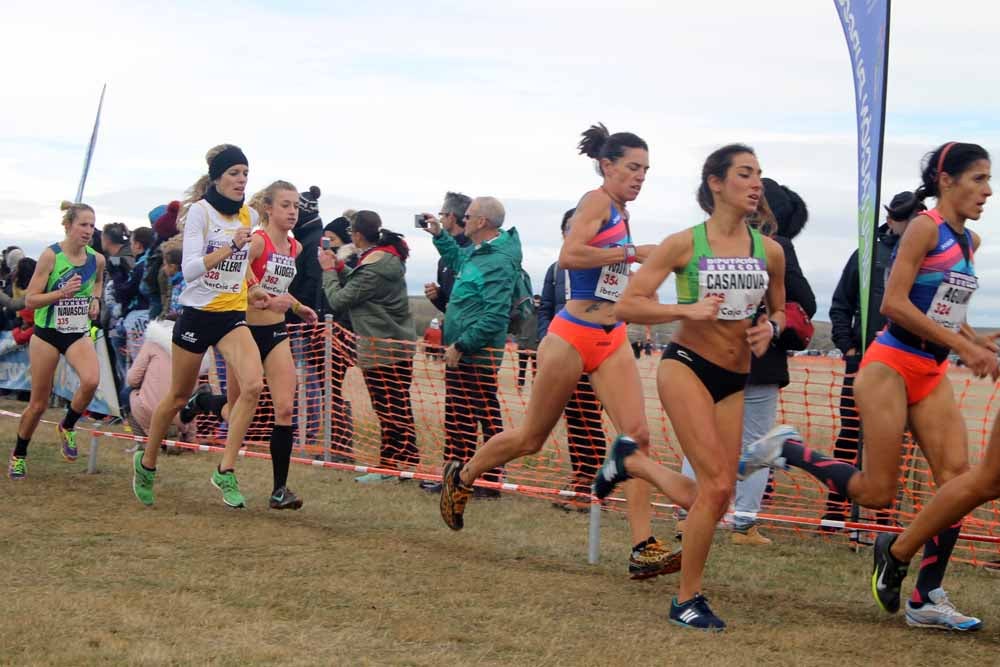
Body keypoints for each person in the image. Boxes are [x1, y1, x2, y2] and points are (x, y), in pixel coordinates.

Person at [743, 142, 995, 631]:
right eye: (979, 179)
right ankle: (789, 450)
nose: (988, 190)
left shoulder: (971, 242)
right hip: (889, 365)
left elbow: (945, 307)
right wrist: (964, 349)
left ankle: (926, 597)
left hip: (930, 369)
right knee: (877, 492)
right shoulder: (925, 228)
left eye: (988, 180)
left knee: (959, 483)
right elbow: (895, 304)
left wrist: (976, 340)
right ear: (947, 181)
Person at [438, 127, 696, 580]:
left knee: (636, 437)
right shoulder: (595, 201)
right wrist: (634, 252)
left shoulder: (621, 210)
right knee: (531, 439)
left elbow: (610, 268)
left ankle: (643, 546)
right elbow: (570, 255)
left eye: (646, 170)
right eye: (633, 168)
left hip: (611, 336)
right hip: (572, 334)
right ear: (608, 166)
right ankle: (463, 475)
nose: (640, 177)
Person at [607, 144, 786, 630]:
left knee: (717, 493)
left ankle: (633, 462)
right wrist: (683, 310)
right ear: (715, 182)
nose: (756, 184)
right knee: (720, 485)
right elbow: (627, 306)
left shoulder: (768, 250)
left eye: (759, 175)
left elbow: (781, 308)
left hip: (735, 378)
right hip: (685, 365)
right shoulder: (683, 243)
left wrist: (770, 327)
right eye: (745, 174)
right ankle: (686, 599)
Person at [677, 179, 815, 547]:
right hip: (758, 358)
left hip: (706, 352)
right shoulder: (776, 247)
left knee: (699, 438)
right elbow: (805, 302)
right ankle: (744, 523)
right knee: (756, 443)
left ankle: (687, 513)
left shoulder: (704, 240)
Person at [130, 143, 267, 508]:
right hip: (196, 315)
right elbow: (190, 270)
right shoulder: (200, 215)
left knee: (253, 385)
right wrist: (230, 247)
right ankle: (147, 462)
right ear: (218, 178)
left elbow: (245, 264)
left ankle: (225, 469)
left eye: (245, 174)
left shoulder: (249, 215)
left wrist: (254, 289)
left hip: (231, 315)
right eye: (235, 173)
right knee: (176, 396)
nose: (241, 180)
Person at [181, 180, 318, 509]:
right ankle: (205, 402)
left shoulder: (294, 248)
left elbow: (278, 288)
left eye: (296, 206)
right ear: (268, 208)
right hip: (242, 330)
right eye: (285, 205)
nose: (292, 212)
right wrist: (257, 294)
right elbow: (237, 275)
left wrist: (298, 307)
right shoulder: (257, 241)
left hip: (275, 332)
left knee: (285, 407)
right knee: (236, 410)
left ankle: (279, 489)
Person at [825, 191, 924, 525]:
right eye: (905, 218)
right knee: (851, 436)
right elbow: (840, 304)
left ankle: (885, 516)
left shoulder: (928, 256)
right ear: (891, 218)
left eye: (917, 218)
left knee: (897, 440)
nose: (910, 224)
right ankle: (834, 511)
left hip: (908, 362)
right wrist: (849, 349)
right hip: (864, 360)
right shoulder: (866, 255)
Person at [418, 197, 519, 499]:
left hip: (476, 355)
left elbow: (496, 314)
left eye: (469, 214)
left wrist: (462, 344)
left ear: (482, 222)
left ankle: (489, 481)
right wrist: (439, 234)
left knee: (481, 417)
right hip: (461, 353)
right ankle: (456, 475)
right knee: (458, 418)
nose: (464, 218)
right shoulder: (477, 253)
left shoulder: (499, 260)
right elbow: (456, 258)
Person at [319, 210, 418, 482]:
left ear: (358, 235)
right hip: (396, 346)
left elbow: (339, 300)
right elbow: (361, 283)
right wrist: (341, 268)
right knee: (398, 407)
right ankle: (407, 461)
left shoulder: (374, 267)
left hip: (382, 350)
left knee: (388, 409)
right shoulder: (384, 259)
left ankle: (389, 466)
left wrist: (329, 272)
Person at [8, 201, 104, 480]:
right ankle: (19, 454)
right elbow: (31, 299)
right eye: (83, 225)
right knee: (38, 404)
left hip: (75, 332)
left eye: (92, 226)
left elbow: (98, 281)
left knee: (91, 380)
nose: (88, 231)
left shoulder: (96, 259)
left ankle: (68, 425)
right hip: (47, 334)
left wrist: (95, 299)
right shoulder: (51, 256)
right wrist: (60, 294)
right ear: (68, 226)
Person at [537, 208, 608, 509]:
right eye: (568, 227)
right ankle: (578, 476)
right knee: (572, 418)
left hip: (593, 355)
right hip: (561, 353)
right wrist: (546, 341)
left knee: (589, 419)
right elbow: (545, 308)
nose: (572, 232)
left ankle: (593, 484)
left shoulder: (603, 267)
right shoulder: (556, 269)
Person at [123, 318, 195, 442]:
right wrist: (191, 438)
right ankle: (180, 436)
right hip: (180, 414)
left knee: (126, 394)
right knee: (187, 399)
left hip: (149, 410)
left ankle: (144, 440)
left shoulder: (152, 344)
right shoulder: (193, 349)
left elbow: (132, 379)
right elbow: (193, 393)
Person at [424, 192, 472, 313]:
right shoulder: (443, 259)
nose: (439, 219)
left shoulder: (477, 252)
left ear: (451, 217)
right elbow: (450, 309)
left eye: (441, 215)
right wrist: (437, 296)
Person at [514, 295, 540, 388]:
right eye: (535, 301)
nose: (537, 304)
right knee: (522, 369)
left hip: (536, 346)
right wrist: (518, 340)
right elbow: (517, 328)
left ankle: (535, 386)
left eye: (538, 302)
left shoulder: (543, 315)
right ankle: (521, 384)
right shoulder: (525, 312)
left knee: (536, 369)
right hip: (523, 344)